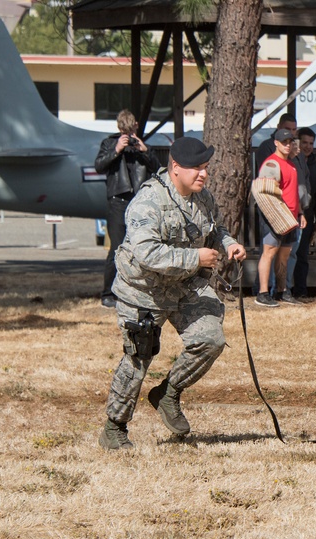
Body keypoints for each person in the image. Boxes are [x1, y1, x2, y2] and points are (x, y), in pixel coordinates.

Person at [99, 137, 247, 450]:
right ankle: (115, 428)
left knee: (210, 340)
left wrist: (229, 243)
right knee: (139, 356)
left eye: (205, 168)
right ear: (176, 168)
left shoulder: (202, 196)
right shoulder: (148, 201)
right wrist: (195, 258)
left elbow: (216, 227)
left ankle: (168, 393)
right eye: (196, 168)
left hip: (182, 286)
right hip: (143, 292)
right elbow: (146, 253)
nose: (203, 174)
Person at [95, 109, 161, 309]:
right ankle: (108, 293)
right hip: (118, 200)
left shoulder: (141, 147)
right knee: (116, 248)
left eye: (132, 131)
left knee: (141, 246)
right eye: (126, 132)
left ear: (136, 127)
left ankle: (136, 290)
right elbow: (99, 166)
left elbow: (158, 168)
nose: (129, 136)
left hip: (138, 202)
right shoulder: (109, 143)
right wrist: (116, 149)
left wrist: (144, 150)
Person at [254, 129, 307, 307]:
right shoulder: (271, 164)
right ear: (276, 143)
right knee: (269, 253)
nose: (287, 144)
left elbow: (294, 193)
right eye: (284, 141)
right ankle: (262, 293)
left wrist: (300, 213)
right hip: (275, 217)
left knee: (284, 255)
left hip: (291, 217)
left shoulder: (290, 163)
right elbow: (265, 194)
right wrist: (276, 216)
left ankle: (281, 291)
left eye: (290, 141)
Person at [291, 127, 316, 299]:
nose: (308, 146)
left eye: (311, 143)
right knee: (288, 254)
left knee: (302, 255)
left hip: (308, 216)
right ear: (297, 142)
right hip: (289, 214)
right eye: (304, 142)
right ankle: (284, 289)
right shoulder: (291, 161)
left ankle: (301, 290)